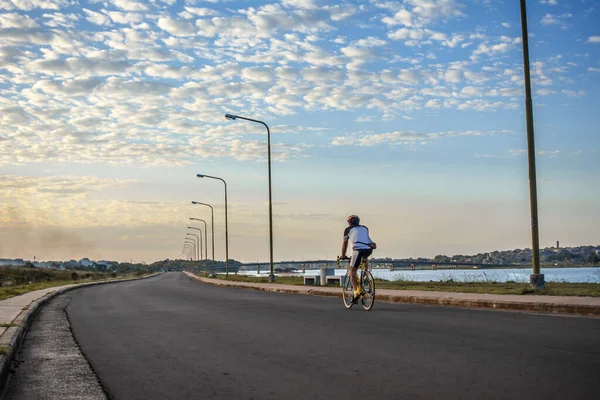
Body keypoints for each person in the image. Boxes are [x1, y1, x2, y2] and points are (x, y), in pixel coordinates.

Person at [340, 215, 376, 300]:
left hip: (357, 250)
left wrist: (343, 255)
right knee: (364, 257)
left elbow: (345, 245)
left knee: (352, 271)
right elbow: (365, 238)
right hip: (369, 249)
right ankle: (365, 275)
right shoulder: (364, 228)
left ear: (349, 223)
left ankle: (356, 291)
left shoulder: (347, 230)